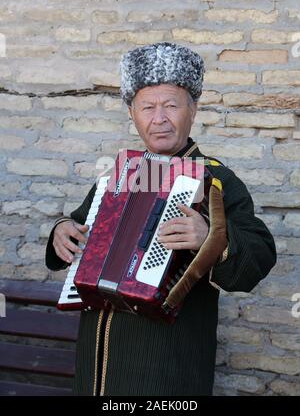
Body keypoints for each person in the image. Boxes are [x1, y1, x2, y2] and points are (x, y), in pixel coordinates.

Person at [45, 42, 276, 396]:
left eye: (171, 105)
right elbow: (78, 228)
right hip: (95, 365)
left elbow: (260, 255)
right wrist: (62, 231)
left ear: (193, 109)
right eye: (147, 106)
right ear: (131, 113)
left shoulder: (217, 179)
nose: (159, 118)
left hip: (167, 365)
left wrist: (211, 238)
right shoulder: (118, 176)